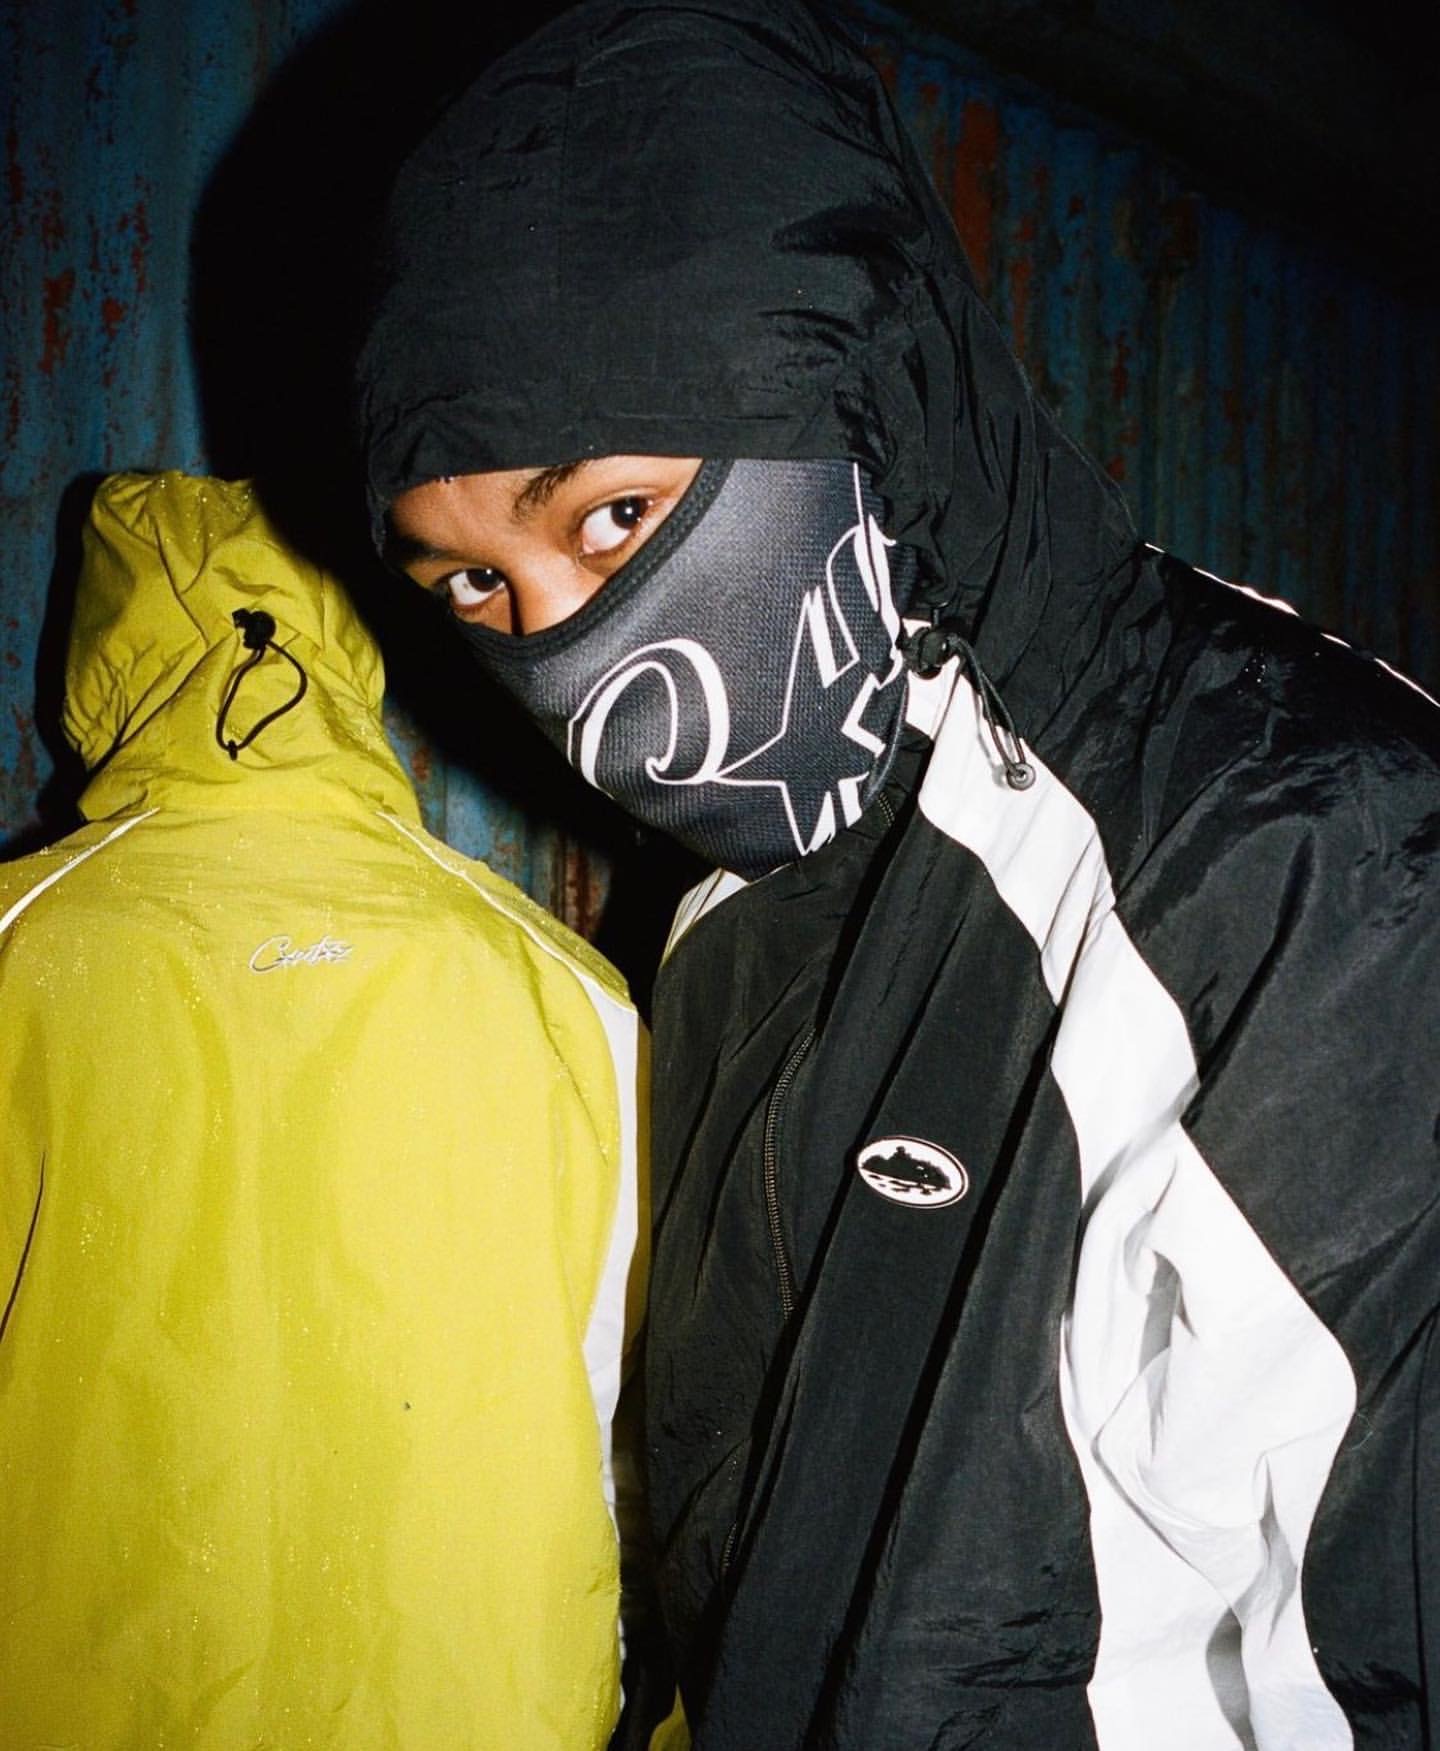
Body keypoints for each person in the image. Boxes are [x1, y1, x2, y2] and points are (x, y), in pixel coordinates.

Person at [354, 2, 1440, 1745]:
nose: (572, 682)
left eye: (613, 517)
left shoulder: (1315, 856)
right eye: (473, 587)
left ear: (856, 381)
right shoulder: (732, 904)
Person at [0, 471, 644, 1748]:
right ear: (348, 647)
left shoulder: (21, 944)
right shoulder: (556, 977)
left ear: (100, 651)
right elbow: (624, 1393)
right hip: (479, 1704)